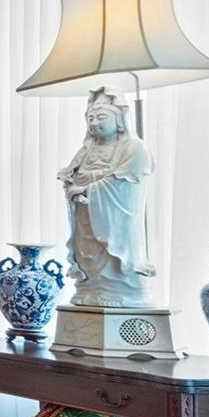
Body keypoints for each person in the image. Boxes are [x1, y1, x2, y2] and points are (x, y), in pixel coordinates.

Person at [57, 88, 155, 307]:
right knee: (87, 250)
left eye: (101, 117)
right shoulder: (86, 150)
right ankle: (90, 287)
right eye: (90, 118)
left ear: (119, 120)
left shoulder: (134, 148)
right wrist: (71, 185)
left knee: (112, 254)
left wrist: (86, 189)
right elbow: (73, 175)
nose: (94, 123)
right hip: (86, 214)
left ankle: (121, 291)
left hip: (115, 214)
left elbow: (122, 181)